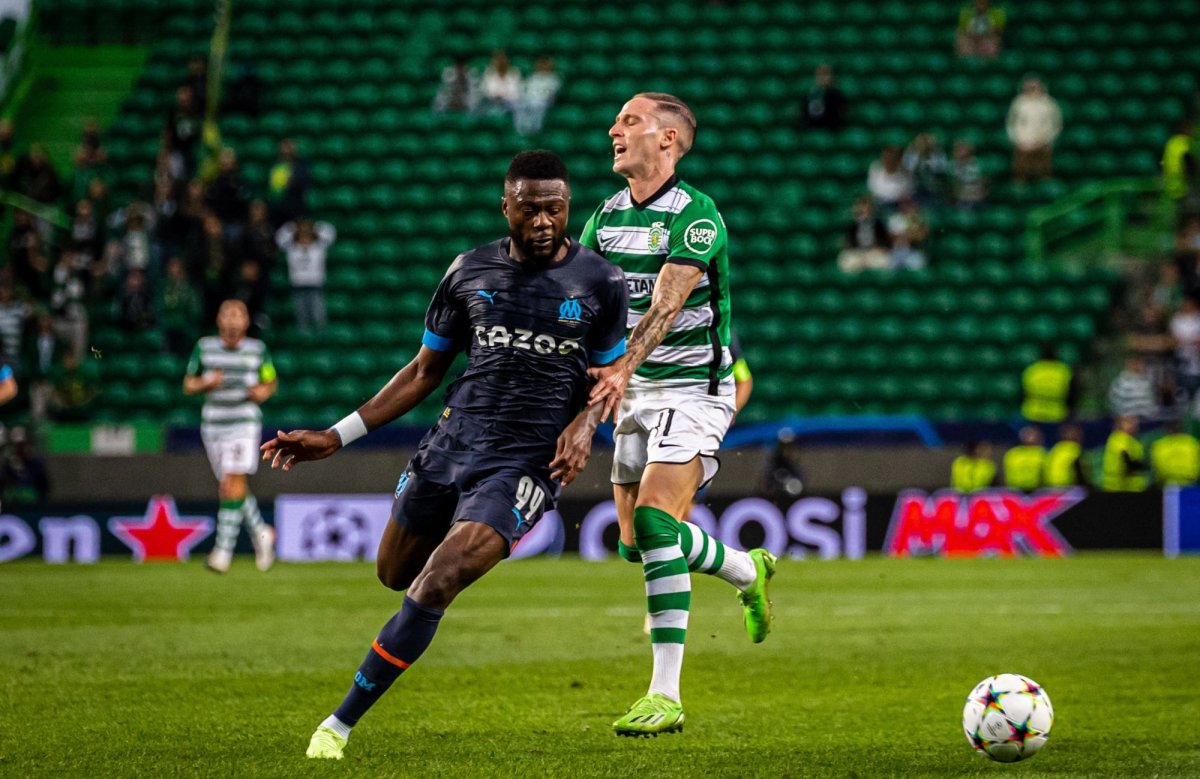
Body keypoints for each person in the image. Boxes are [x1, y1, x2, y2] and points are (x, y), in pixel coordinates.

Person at [259, 151, 628, 760]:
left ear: (569, 208)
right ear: (505, 206)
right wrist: (336, 434)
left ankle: (338, 725)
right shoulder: (469, 272)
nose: (543, 221)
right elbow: (424, 370)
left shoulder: (600, 283)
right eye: (530, 208)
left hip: (525, 463)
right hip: (451, 444)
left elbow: (610, 376)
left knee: (439, 579)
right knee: (394, 574)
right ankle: (430, 579)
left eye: (555, 209)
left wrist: (586, 424)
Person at [580, 92, 775, 737]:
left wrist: (616, 373)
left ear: (667, 140)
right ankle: (747, 570)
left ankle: (665, 695)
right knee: (634, 545)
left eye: (629, 120)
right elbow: (584, 312)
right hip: (632, 393)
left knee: (660, 526)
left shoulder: (696, 214)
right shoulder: (603, 220)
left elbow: (663, 312)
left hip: (693, 388)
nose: (614, 129)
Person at [182, 299, 278, 574]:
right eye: (228, 314)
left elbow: (270, 379)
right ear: (219, 320)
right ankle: (263, 534)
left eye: (239, 314)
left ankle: (222, 552)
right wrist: (205, 383)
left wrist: (264, 391)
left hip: (244, 423)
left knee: (231, 484)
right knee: (233, 487)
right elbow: (189, 382)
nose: (233, 320)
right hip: (213, 426)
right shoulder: (205, 348)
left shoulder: (257, 350)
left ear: (246, 321)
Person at [276, 217, 336, 335]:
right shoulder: (292, 247)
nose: (304, 235)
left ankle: (320, 336)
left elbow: (331, 233)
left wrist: (314, 227)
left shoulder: (318, 246)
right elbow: (279, 238)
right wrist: (293, 226)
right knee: (301, 313)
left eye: (307, 233)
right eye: (302, 232)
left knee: (318, 313)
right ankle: (303, 338)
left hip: (315, 284)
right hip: (298, 284)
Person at [1007, 76, 1062, 183]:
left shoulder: (1049, 103)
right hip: (1023, 144)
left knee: (1044, 175)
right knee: (1020, 175)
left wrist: (1046, 140)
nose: (1032, 89)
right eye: (1029, 87)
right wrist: (1018, 141)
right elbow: (1011, 123)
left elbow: (1056, 123)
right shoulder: (1018, 103)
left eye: (1035, 87)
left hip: (1043, 144)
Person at [837, 196, 890, 273]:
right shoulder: (852, 225)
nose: (865, 212)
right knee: (845, 261)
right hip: (857, 252)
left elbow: (885, 241)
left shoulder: (879, 224)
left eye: (867, 210)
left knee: (885, 261)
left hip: (873, 252)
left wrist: (881, 247)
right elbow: (848, 241)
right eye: (863, 210)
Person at [1021, 345, 1073, 423]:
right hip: (1057, 413)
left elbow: (1024, 392)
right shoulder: (1064, 370)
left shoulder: (1032, 370)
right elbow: (1072, 393)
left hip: (1033, 412)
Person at [514, 56, 560, 136]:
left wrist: (539, 97)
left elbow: (550, 93)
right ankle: (521, 129)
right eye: (541, 65)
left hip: (544, 101)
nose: (543, 67)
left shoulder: (554, 79)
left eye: (545, 65)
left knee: (536, 105)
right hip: (529, 99)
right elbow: (524, 88)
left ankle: (535, 129)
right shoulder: (533, 77)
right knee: (518, 105)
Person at [1161, 119, 1196, 220]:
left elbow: (1164, 163)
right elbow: (1189, 164)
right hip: (1185, 186)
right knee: (1189, 216)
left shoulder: (1171, 143)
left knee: (1179, 216)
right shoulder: (1185, 143)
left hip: (1171, 185)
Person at [1101, 415, 1147, 492]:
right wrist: (1138, 466)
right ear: (1120, 425)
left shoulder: (1131, 441)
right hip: (1121, 489)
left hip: (1130, 488)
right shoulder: (1120, 438)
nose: (1134, 425)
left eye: (1135, 422)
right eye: (1129, 422)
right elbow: (1125, 456)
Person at [1150, 420, 1200, 486]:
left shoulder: (1159, 444)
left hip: (1184, 484)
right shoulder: (1192, 442)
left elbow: (1157, 470)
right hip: (1180, 483)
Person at [1108, 356, 1158, 420]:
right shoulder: (1122, 382)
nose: (1144, 366)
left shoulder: (1145, 381)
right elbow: (1121, 409)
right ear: (1132, 364)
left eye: (1144, 363)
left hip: (1146, 420)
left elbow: (1150, 406)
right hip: (1129, 421)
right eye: (1141, 363)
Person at [763, 428, 804, 501]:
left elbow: (801, 482)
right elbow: (766, 484)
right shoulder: (774, 463)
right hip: (776, 500)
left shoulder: (795, 464)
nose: (788, 449)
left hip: (793, 501)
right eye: (785, 446)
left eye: (790, 446)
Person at [803, 63, 846, 132]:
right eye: (820, 75)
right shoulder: (809, 94)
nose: (822, 78)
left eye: (826, 75)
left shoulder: (837, 95)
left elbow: (840, 115)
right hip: (812, 131)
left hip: (831, 130)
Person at [866, 145, 913, 210]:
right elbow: (873, 189)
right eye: (886, 157)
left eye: (892, 158)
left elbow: (900, 194)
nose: (888, 160)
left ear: (898, 160)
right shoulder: (875, 169)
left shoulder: (907, 175)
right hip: (878, 204)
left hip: (898, 206)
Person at [477, 51, 521, 117]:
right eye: (498, 61)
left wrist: (502, 96)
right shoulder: (489, 73)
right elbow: (486, 90)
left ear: (507, 62)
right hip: (492, 100)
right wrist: (495, 96)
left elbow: (515, 91)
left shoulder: (514, 73)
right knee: (480, 103)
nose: (501, 63)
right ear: (494, 62)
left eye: (503, 60)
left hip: (509, 101)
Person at [1044, 423, 1088, 488]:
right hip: (1068, 487)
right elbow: (1081, 474)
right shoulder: (1075, 450)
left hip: (1050, 486)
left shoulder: (1055, 449)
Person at [1003, 426, 1046, 491]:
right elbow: (1005, 474)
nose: (1029, 437)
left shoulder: (1042, 453)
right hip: (1015, 490)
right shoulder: (1012, 453)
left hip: (1037, 490)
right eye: (1027, 434)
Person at [950, 139, 987, 209]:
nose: (960, 151)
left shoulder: (978, 163)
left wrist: (982, 193)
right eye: (958, 149)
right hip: (962, 200)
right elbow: (953, 185)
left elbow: (985, 180)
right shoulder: (953, 165)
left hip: (978, 199)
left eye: (963, 148)